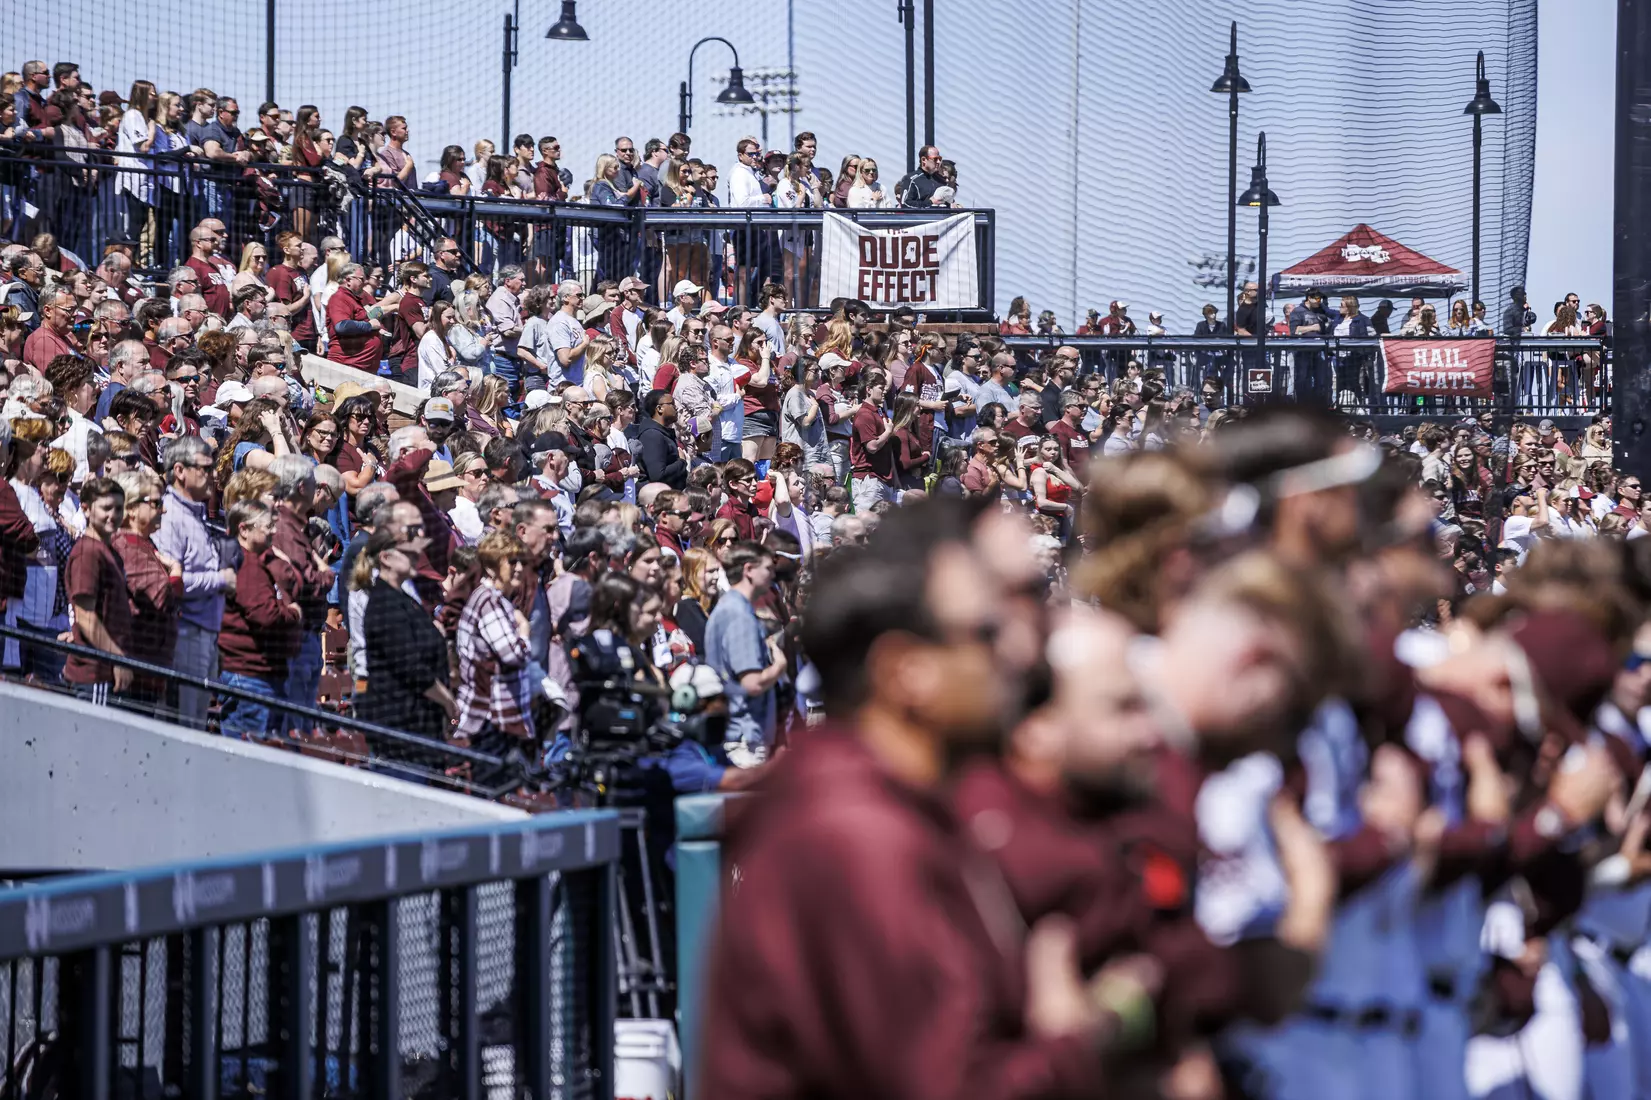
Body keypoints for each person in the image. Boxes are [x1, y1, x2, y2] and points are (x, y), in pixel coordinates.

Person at [699, 499, 1133, 1100]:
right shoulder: (855, 835)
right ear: (906, 670)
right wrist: (1101, 1026)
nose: (1013, 648)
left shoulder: (903, 804)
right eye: (983, 631)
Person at [217, 498, 301, 738]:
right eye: (267, 527)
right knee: (250, 758)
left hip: (255, 672)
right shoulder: (247, 564)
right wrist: (293, 613)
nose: (274, 531)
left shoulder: (252, 559)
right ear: (244, 529)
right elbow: (265, 615)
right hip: (249, 674)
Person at [703, 541, 787, 762]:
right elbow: (752, 682)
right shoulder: (739, 615)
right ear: (749, 570)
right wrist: (779, 666)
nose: (773, 574)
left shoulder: (730, 607)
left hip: (740, 734)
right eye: (768, 568)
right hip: (744, 739)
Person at [455, 529, 537, 756]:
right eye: (511, 562)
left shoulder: (497, 600)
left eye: (521, 561)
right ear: (491, 568)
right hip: (491, 717)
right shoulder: (489, 601)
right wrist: (524, 631)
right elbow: (513, 655)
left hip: (500, 715)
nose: (519, 568)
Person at [62, 477, 135, 703]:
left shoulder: (107, 551)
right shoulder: (88, 553)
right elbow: (86, 617)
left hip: (105, 670)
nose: (112, 515)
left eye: (118, 508)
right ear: (85, 509)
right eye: (106, 508)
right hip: (95, 673)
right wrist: (118, 658)